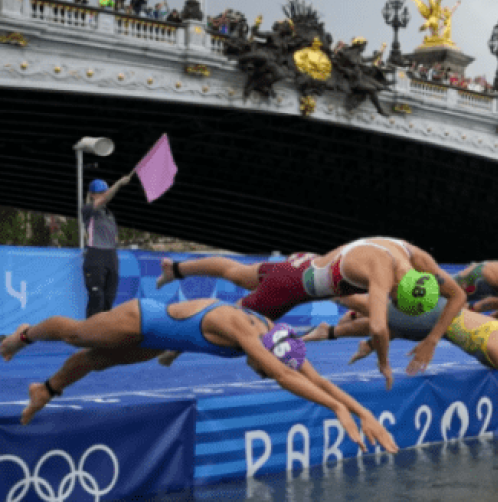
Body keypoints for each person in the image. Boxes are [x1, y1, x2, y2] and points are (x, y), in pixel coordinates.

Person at [0, 298, 397, 454]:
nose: (256, 372)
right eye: (259, 371)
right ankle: (21, 336)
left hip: (164, 338)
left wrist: (362, 412)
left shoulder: (277, 335)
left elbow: (315, 378)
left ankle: (46, 389)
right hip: (145, 317)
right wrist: (335, 411)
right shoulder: (248, 333)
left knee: (98, 361)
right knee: (78, 334)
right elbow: (280, 374)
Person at [305, 297, 498, 462]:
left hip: (447, 315)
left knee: (391, 326)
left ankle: (332, 329)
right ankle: (316, 282)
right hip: (438, 319)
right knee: (374, 309)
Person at [156, 238, 464, 387]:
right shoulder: (383, 273)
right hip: (292, 288)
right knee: (234, 321)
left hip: (302, 263)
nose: (391, 303)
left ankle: (176, 269)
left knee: (240, 273)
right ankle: (175, 343)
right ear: (398, 289)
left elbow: (458, 294)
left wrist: (433, 340)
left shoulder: (414, 256)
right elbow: (380, 329)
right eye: (395, 301)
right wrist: (384, 364)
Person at [82, 174, 134, 318]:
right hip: (95, 255)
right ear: (92, 195)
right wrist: (118, 183)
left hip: (111, 256)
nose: (103, 195)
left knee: (109, 298)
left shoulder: (109, 214)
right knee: (96, 298)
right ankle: (90, 334)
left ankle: (103, 334)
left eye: (104, 192)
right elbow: (104, 199)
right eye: (99, 193)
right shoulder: (88, 210)